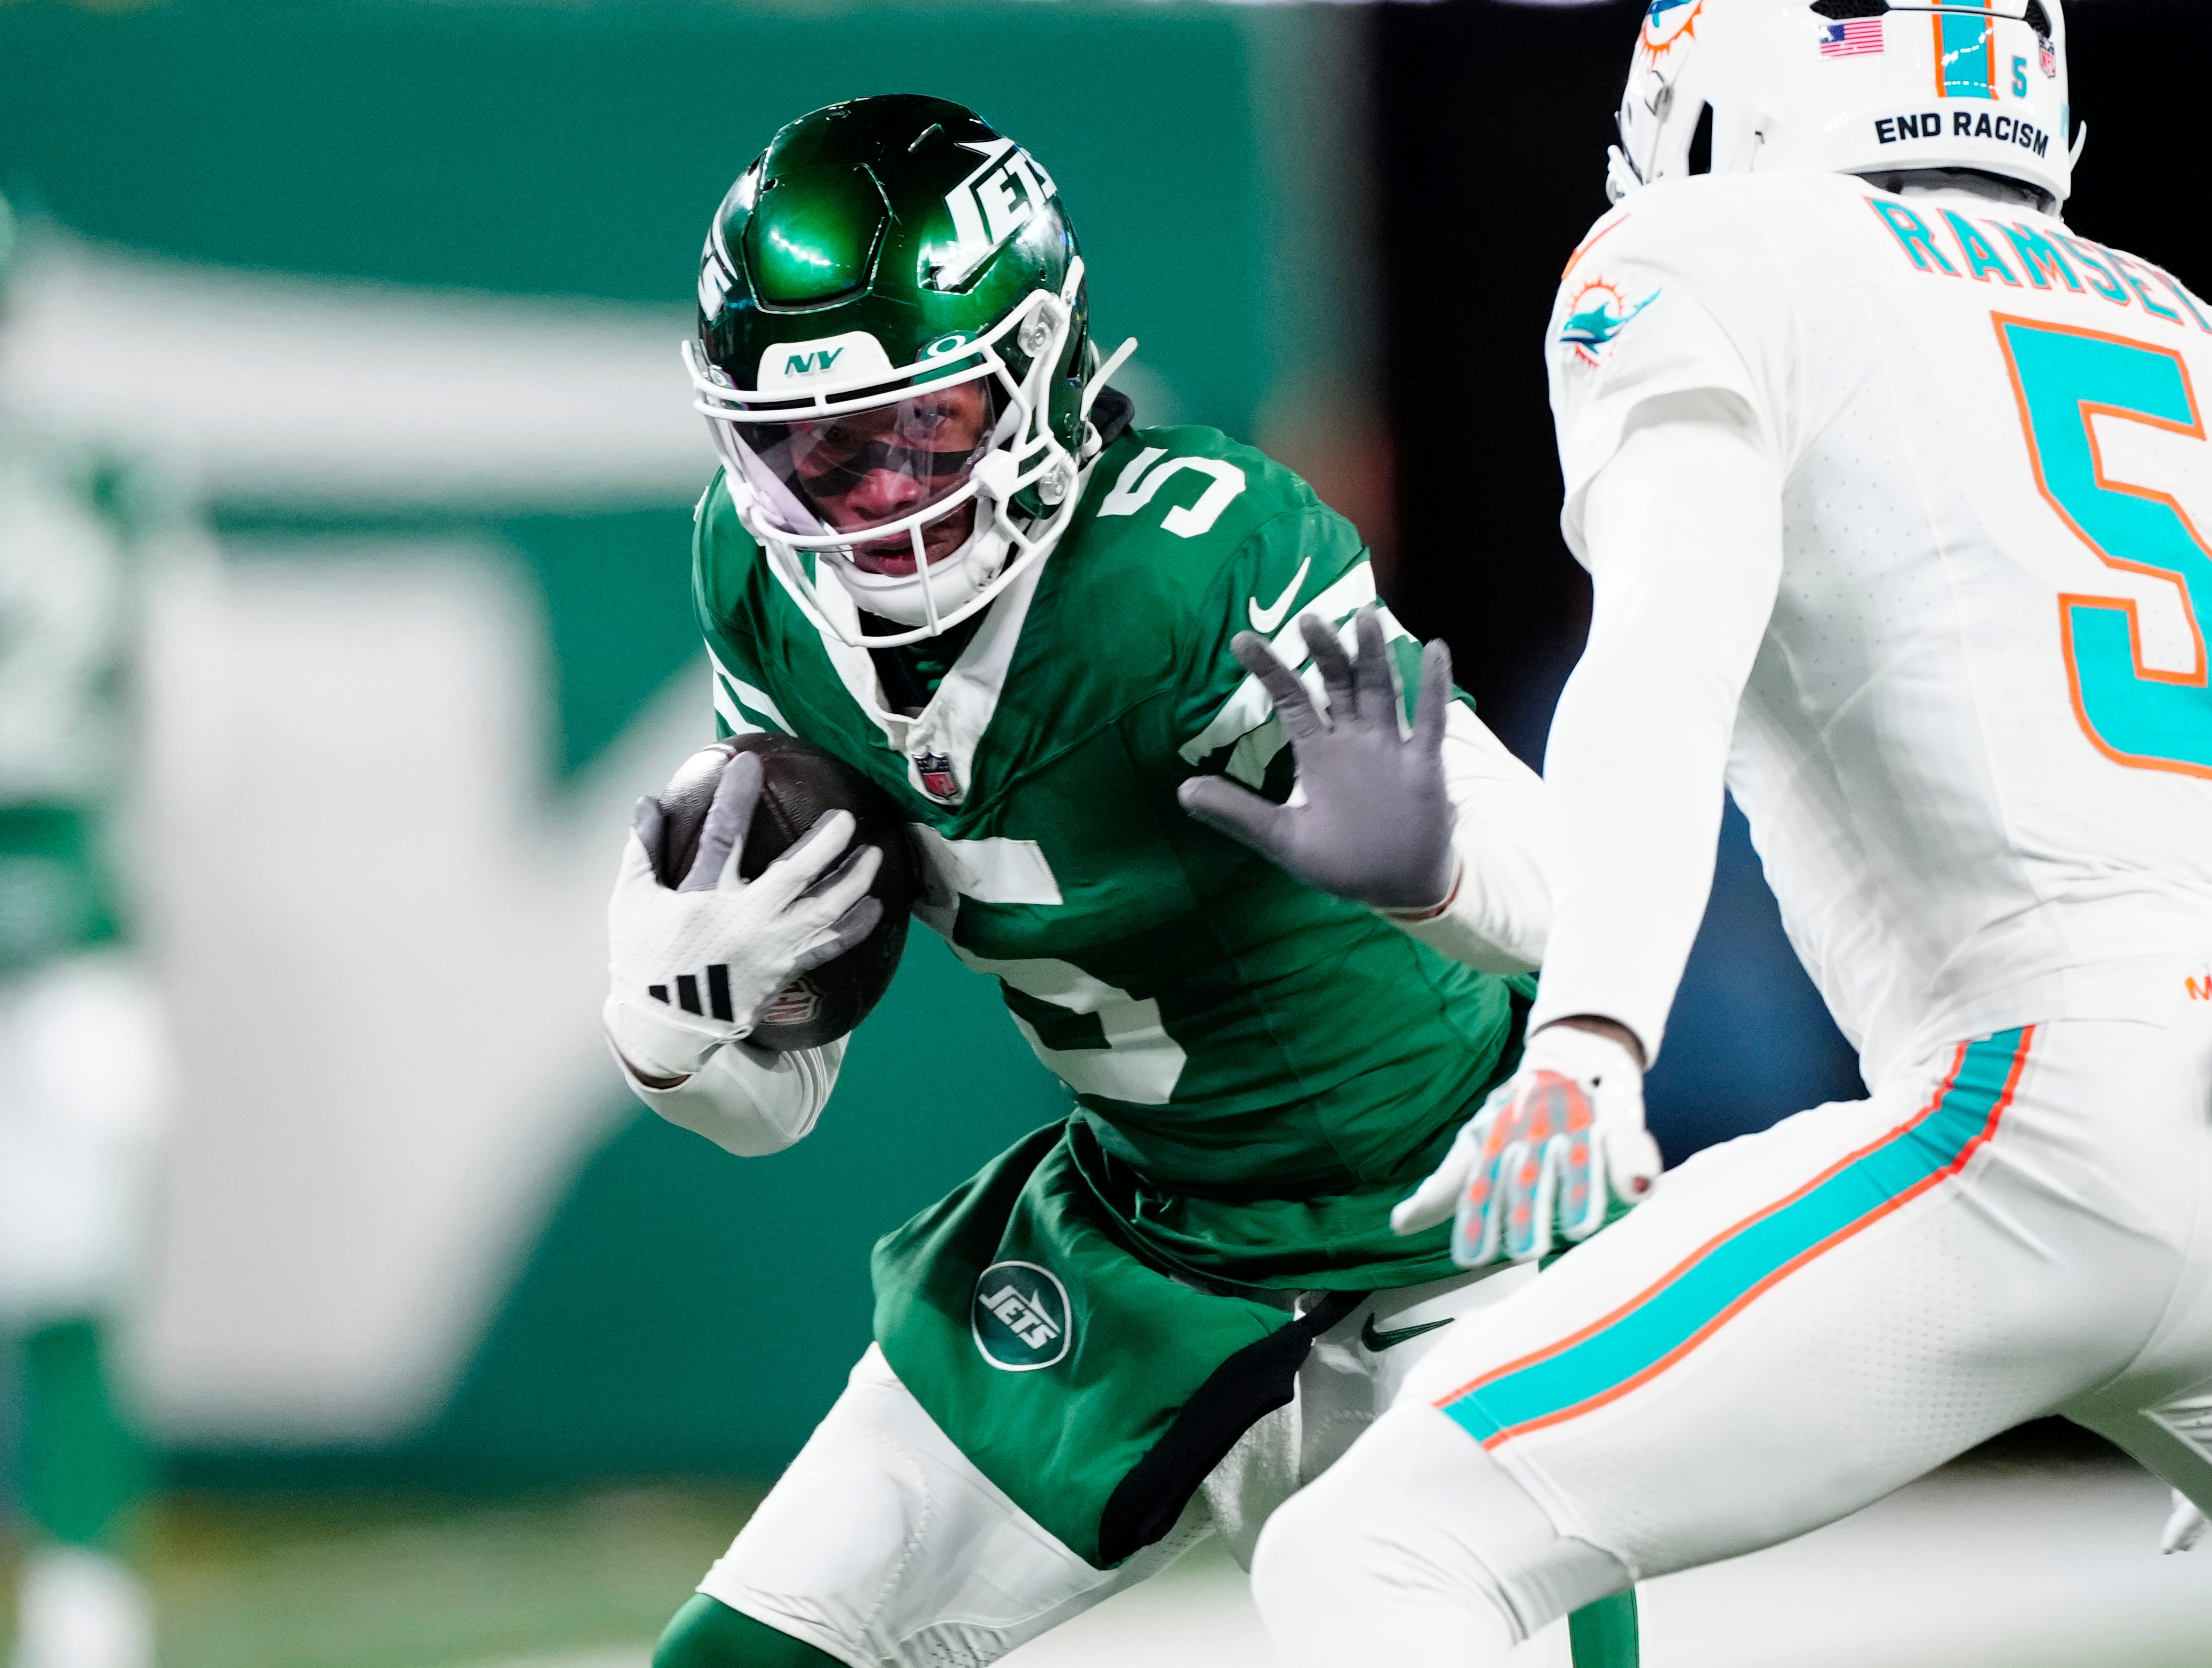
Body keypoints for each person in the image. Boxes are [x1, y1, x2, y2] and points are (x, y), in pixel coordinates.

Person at [1233, 2, 2212, 1663]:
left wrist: (1592, 1033)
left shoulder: (1714, 253)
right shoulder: (2211, 351)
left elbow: (1662, 656)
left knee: (1368, 1558)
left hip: (2036, 1124)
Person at [601, 95, 1620, 1668]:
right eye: (816, 446)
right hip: (1145, 1236)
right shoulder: (762, 588)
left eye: (920, 427)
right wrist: (668, 1030)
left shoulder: (1185, 562)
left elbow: (1586, 894)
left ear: (1042, 374)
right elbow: (774, 1103)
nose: (870, 497)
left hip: (1445, 1250)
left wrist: (1432, 867)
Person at [0, 197, 171, 1668]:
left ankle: (83, 1588)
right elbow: (188, 739)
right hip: (71, 926)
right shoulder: (94, 478)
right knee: (69, 1280)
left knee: (69, 1272)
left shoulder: (98, 479)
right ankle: (82, 1582)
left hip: (58, 929)